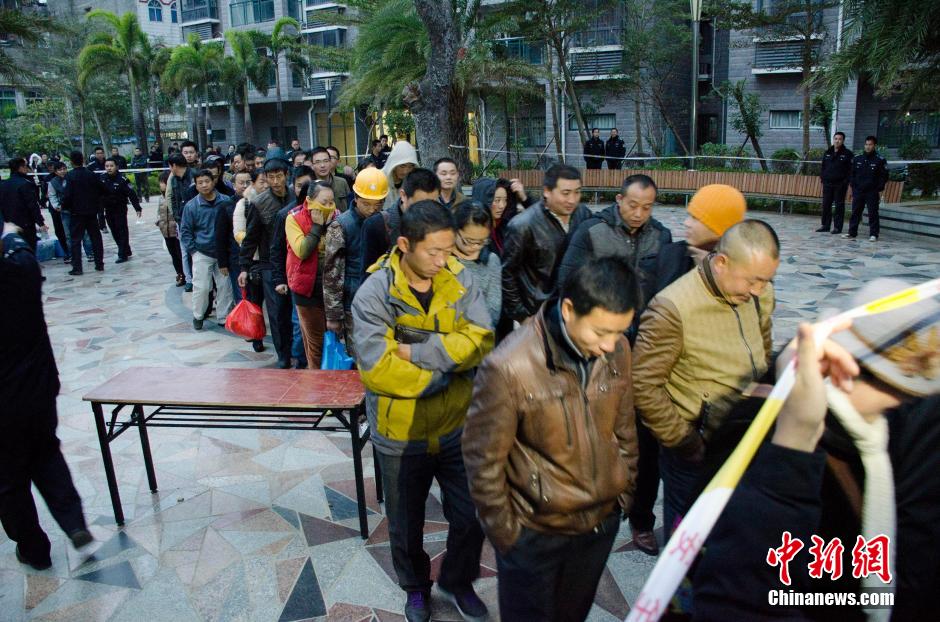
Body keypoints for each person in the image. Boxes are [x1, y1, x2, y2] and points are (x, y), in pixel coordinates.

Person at [693, 279, 940, 622]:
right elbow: (740, 586)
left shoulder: (873, 436)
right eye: (906, 396)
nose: (906, 407)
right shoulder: (770, 432)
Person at [463, 256, 639, 621]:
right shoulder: (509, 365)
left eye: (619, 332)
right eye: (600, 333)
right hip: (535, 533)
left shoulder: (618, 349)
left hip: (598, 526)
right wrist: (509, 537)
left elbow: (624, 428)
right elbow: (483, 462)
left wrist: (623, 493)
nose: (610, 345)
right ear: (569, 309)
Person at [352, 201, 494, 622]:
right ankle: (415, 587)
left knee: (471, 514)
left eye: (448, 250)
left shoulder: (460, 278)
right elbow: (378, 369)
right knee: (405, 524)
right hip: (401, 434)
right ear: (404, 244)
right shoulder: (374, 293)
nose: (442, 260)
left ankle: (458, 580)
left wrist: (417, 351)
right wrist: (442, 375)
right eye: (433, 252)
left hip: (455, 426)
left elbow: (481, 339)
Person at [633, 220, 779, 541]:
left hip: (745, 441)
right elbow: (644, 386)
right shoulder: (673, 308)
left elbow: (763, 348)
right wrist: (686, 443)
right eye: (753, 281)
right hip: (695, 452)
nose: (759, 290)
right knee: (688, 543)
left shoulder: (757, 294)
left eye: (766, 281)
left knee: (732, 536)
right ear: (722, 262)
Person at [555, 173, 671, 555]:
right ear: (619, 200)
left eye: (647, 207)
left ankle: (641, 519)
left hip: (645, 350)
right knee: (596, 430)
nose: (638, 213)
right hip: (601, 348)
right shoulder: (593, 231)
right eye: (633, 205)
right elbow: (566, 283)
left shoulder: (661, 236)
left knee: (645, 439)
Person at [0, 221, 95, 571]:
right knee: (46, 453)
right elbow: (17, 247)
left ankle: (33, 547)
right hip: (38, 385)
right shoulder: (23, 264)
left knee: (9, 478)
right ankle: (74, 522)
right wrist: (11, 235)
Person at [501, 164, 591, 323]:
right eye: (566, 193)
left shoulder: (583, 214)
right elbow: (507, 274)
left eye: (577, 192)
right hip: (538, 313)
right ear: (547, 191)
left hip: (575, 308)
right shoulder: (522, 225)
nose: (572, 200)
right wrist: (522, 316)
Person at [238, 153, 297, 368]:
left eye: (279, 176)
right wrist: (244, 267)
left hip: (296, 259)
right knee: (277, 312)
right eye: (270, 177)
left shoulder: (296, 196)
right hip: (269, 263)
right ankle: (283, 354)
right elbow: (250, 237)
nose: (275, 181)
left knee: (296, 310)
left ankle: (299, 350)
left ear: (286, 175)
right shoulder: (259, 203)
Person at [323, 167, 388, 360]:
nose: (372, 209)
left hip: (383, 300)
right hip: (353, 303)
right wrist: (333, 315)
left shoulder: (386, 221)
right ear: (356, 197)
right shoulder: (341, 225)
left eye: (378, 204)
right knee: (360, 355)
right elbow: (332, 273)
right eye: (367, 204)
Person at [653, 184, 748, 295]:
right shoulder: (670, 254)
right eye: (690, 215)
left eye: (696, 218)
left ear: (717, 227)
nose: (686, 223)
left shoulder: (745, 273)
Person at [283, 181, 338, 368]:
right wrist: (317, 227)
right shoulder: (294, 218)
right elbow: (302, 250)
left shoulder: (337, 217)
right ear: (309, 200)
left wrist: (330, 225)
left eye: (331, 202)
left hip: (332, 288)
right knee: (315, 343)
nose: (329, 206)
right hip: (306, 289)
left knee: (334, 339)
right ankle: (317, 380)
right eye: (324, 202)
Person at [179, 169, 235, 330]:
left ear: (213, 181)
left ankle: (224, 317)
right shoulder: (191, 206)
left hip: (223, 252)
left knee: (225, 287)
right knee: (202, 287)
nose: (204, 185)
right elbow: (185, 231)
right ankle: (198, 315)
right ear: (196, 186)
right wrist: (193, 251)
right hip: (202, 252)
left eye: (207, 181)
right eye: (200, 183)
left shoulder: (226, 201)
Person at [361, 168, 441, 270]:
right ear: (403, 195)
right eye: (419, 205)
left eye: (432, 204)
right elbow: (368, 274)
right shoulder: (376, 225)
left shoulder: (440, 223)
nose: (427, 211)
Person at [452, 201, 502, 326]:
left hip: (480, 331)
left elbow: (494, 308)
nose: (475, 247)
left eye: (481, 242)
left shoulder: (491, 260)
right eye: (469, 241)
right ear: (455, 231)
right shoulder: (441, 258)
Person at [62, 151, 106, 274]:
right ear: (83, 160)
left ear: (71, 161)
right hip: (91, 212)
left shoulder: (70, 176)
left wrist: (65, 206)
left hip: (76, 213)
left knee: (76, 240)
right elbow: (102, 189)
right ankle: (99, 264)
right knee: (96, 238)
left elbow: (67, 195)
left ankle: (77, 267)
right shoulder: (91, 174)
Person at [48, 161, 93, 264]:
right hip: (64, 212)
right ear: (55, 171)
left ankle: (90, 253)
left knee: (85, 233)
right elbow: (52, 195)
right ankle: (72, 255)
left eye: (64, 169)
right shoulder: (53, 182)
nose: (62, 171)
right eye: (60, 170)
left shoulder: (72, 178)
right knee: (68, 235)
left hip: (78, 210)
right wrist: (57, 206)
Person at [845, 135, 888, 242]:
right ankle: (852, 232)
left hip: (871, 191)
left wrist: (878, 188)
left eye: (870, 145)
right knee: (855, 212)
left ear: (874, 146)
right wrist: (853, 185)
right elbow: (852, 173)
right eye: (866, 144)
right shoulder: (858, 158)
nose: (868, 147)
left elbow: (884, 176)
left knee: (873, 213)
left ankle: (873, 234)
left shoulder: (880, 160)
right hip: (858, 190)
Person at [101, 157, 142, 263]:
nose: (109, 168)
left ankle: (122, 254)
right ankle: (126, 249)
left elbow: (131, 194)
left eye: (111, 166)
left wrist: (137, 207)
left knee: (122, 231)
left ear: (117, 167)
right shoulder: (102, 179)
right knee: (114, 231)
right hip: (108, 209)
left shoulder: (123, 180)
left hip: (120, 209)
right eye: (107, 166)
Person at [0, 157, 46, 251]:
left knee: (13, 249)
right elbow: (32, 205)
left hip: (9, 224)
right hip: (25, 224)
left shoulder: (3, 185)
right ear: (21, 167)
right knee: (28, 248)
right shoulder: (26, 184)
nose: (27, 169)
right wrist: (40, 222)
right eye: (25, 166)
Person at [167, 152, 196, 290]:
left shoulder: (194, 176)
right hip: (181, 221)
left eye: (169, 166)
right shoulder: (173, 180)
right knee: (184, 252)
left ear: (173, 165)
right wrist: (176, 216)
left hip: (195, 221)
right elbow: (172, 198)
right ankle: (189, 279)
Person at [817, 131, 853, 234]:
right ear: (833, 139)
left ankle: (837, 227)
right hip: (828, 183)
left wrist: (846, 182)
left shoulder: (847, 154)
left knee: (839, 206)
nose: (837, 141)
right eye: (836, 139)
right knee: (826, 204)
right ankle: (825, 225)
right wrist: (823, 178)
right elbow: (823, 167)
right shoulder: (828, 152)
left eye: (840, 139)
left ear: (843, 141)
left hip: (840, 184)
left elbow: (851, 170)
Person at [155, 170, 186, 287]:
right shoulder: (161, 198)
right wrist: (159, 222)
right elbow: (159, 212)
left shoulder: (174, 196)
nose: (161, 185)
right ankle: (179, 274)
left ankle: (185, 275)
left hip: (175, 232)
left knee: (180, 254)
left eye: (163, 182)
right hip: (166, 232)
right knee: (173, 255)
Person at [310, 147, 350, 213]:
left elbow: (350, 206)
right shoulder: (309, 186)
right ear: (312, 165)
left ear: (330, 162)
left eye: (326, 161)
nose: (322, 165)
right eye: (318, 162)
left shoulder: (342, 182)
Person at [381, 141, 419, 209]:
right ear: (393, 164)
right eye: (402, 166)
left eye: (411, 166)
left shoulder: (413, 183)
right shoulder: (378, 179)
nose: (406, 171)